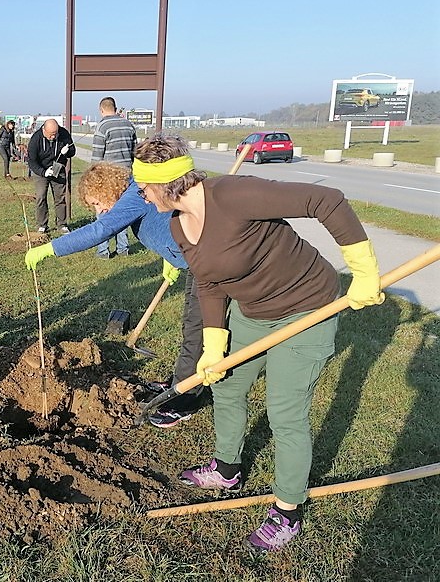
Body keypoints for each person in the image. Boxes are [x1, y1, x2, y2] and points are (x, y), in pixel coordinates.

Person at [132, 134, 385, 554]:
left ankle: (287, 511)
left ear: (164, 183)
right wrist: (213, 345)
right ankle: (227, 469)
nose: (141, 196)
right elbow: (210, 285)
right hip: (252, 313)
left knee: (284, 412)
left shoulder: (234, 194)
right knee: (226, 384)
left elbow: (327, 201)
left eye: (143, 187)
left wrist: (363, 270)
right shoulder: (178, 222)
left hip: (307, 309)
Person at [24, 161, 207, 425]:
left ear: (107, 188)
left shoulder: (134, 197)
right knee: (191, 327)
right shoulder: (135, 194)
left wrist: (51, 248)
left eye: (97, 203)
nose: (100, 210)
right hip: (193, 262)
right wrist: (172, 257)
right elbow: (167, 223)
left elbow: (101, 231)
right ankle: (181, 381)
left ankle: (186, 400)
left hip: (207, 265)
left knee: (196, 332)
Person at [91, 96, 137, 259]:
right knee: (121, 211)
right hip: (126, 175)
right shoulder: (128, 125)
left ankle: (103, 251)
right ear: (115, 108)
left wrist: (93, 178)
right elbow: (134, 153)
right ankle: (123, 248)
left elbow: (96, 157)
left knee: (104, 212)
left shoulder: (102, 126)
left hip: (108, 177)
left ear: (101, 110)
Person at [27, 119, 76, 233]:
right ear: (44, 130)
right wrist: (43, 172)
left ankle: (62, 224)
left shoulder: (64, 134)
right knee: (41, 197)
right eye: (50, 135)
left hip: (58, 168)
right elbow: (31, 161)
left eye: (55, 134)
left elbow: (72, 151)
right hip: (41, 170)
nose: (53, 137)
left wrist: (67, 151)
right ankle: (42, 224)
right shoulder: (36, 139)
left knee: (60, 197)